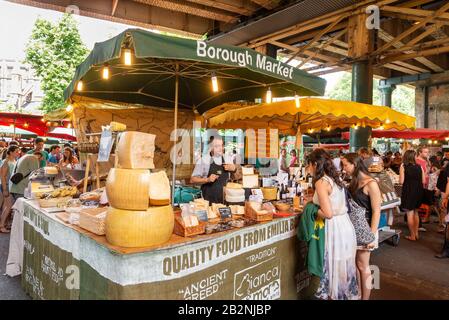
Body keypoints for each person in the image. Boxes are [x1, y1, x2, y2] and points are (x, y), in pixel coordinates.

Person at [308, 148, 358, 300]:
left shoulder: (321, 182)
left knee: (334, 271)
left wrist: (311, 209)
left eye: (308, 164)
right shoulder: (334, 178)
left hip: (334, 229)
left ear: (315, 164)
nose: (308, 168)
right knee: (343, 271)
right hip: (345, 226)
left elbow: (328, 213)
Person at [341, 153, 382, 300]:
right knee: (356, 264)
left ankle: (365, 298)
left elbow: (377, 211)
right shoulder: (353, 181)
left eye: (346, 165)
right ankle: (358, 294)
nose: (344, 168)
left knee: (363, 266)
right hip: (353, 230)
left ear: (355, 164)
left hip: (366, 230)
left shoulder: (371, 183)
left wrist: (371, 235)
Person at [191, 136, 241, 204]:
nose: (221, 148)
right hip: (209, 200)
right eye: (217, 146)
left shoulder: (228, 159)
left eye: (222, 145)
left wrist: (234, 169)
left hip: (226, 200)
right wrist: (207, 179)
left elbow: (236, 178)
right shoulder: (203, 160)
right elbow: (192, 180)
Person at [400, 150, 425, 241]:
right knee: (416, 213)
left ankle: (412, 235)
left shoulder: (403, 166)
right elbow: (423, 181)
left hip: (408, 191)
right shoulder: (419, 167)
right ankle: (416, 233)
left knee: (409, 213)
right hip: (418, 191)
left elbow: (401, 181)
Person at [0, 145, 20, 233]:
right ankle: (1, 225)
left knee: (6, 206)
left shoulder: (14, 160)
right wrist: (5, 189)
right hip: (6, 185)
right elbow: (2, 176)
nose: (18, 153)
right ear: (11, 152)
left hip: (9, 186)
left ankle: (5, 224)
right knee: (8, 206)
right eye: (16, 151)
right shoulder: (6, 161)